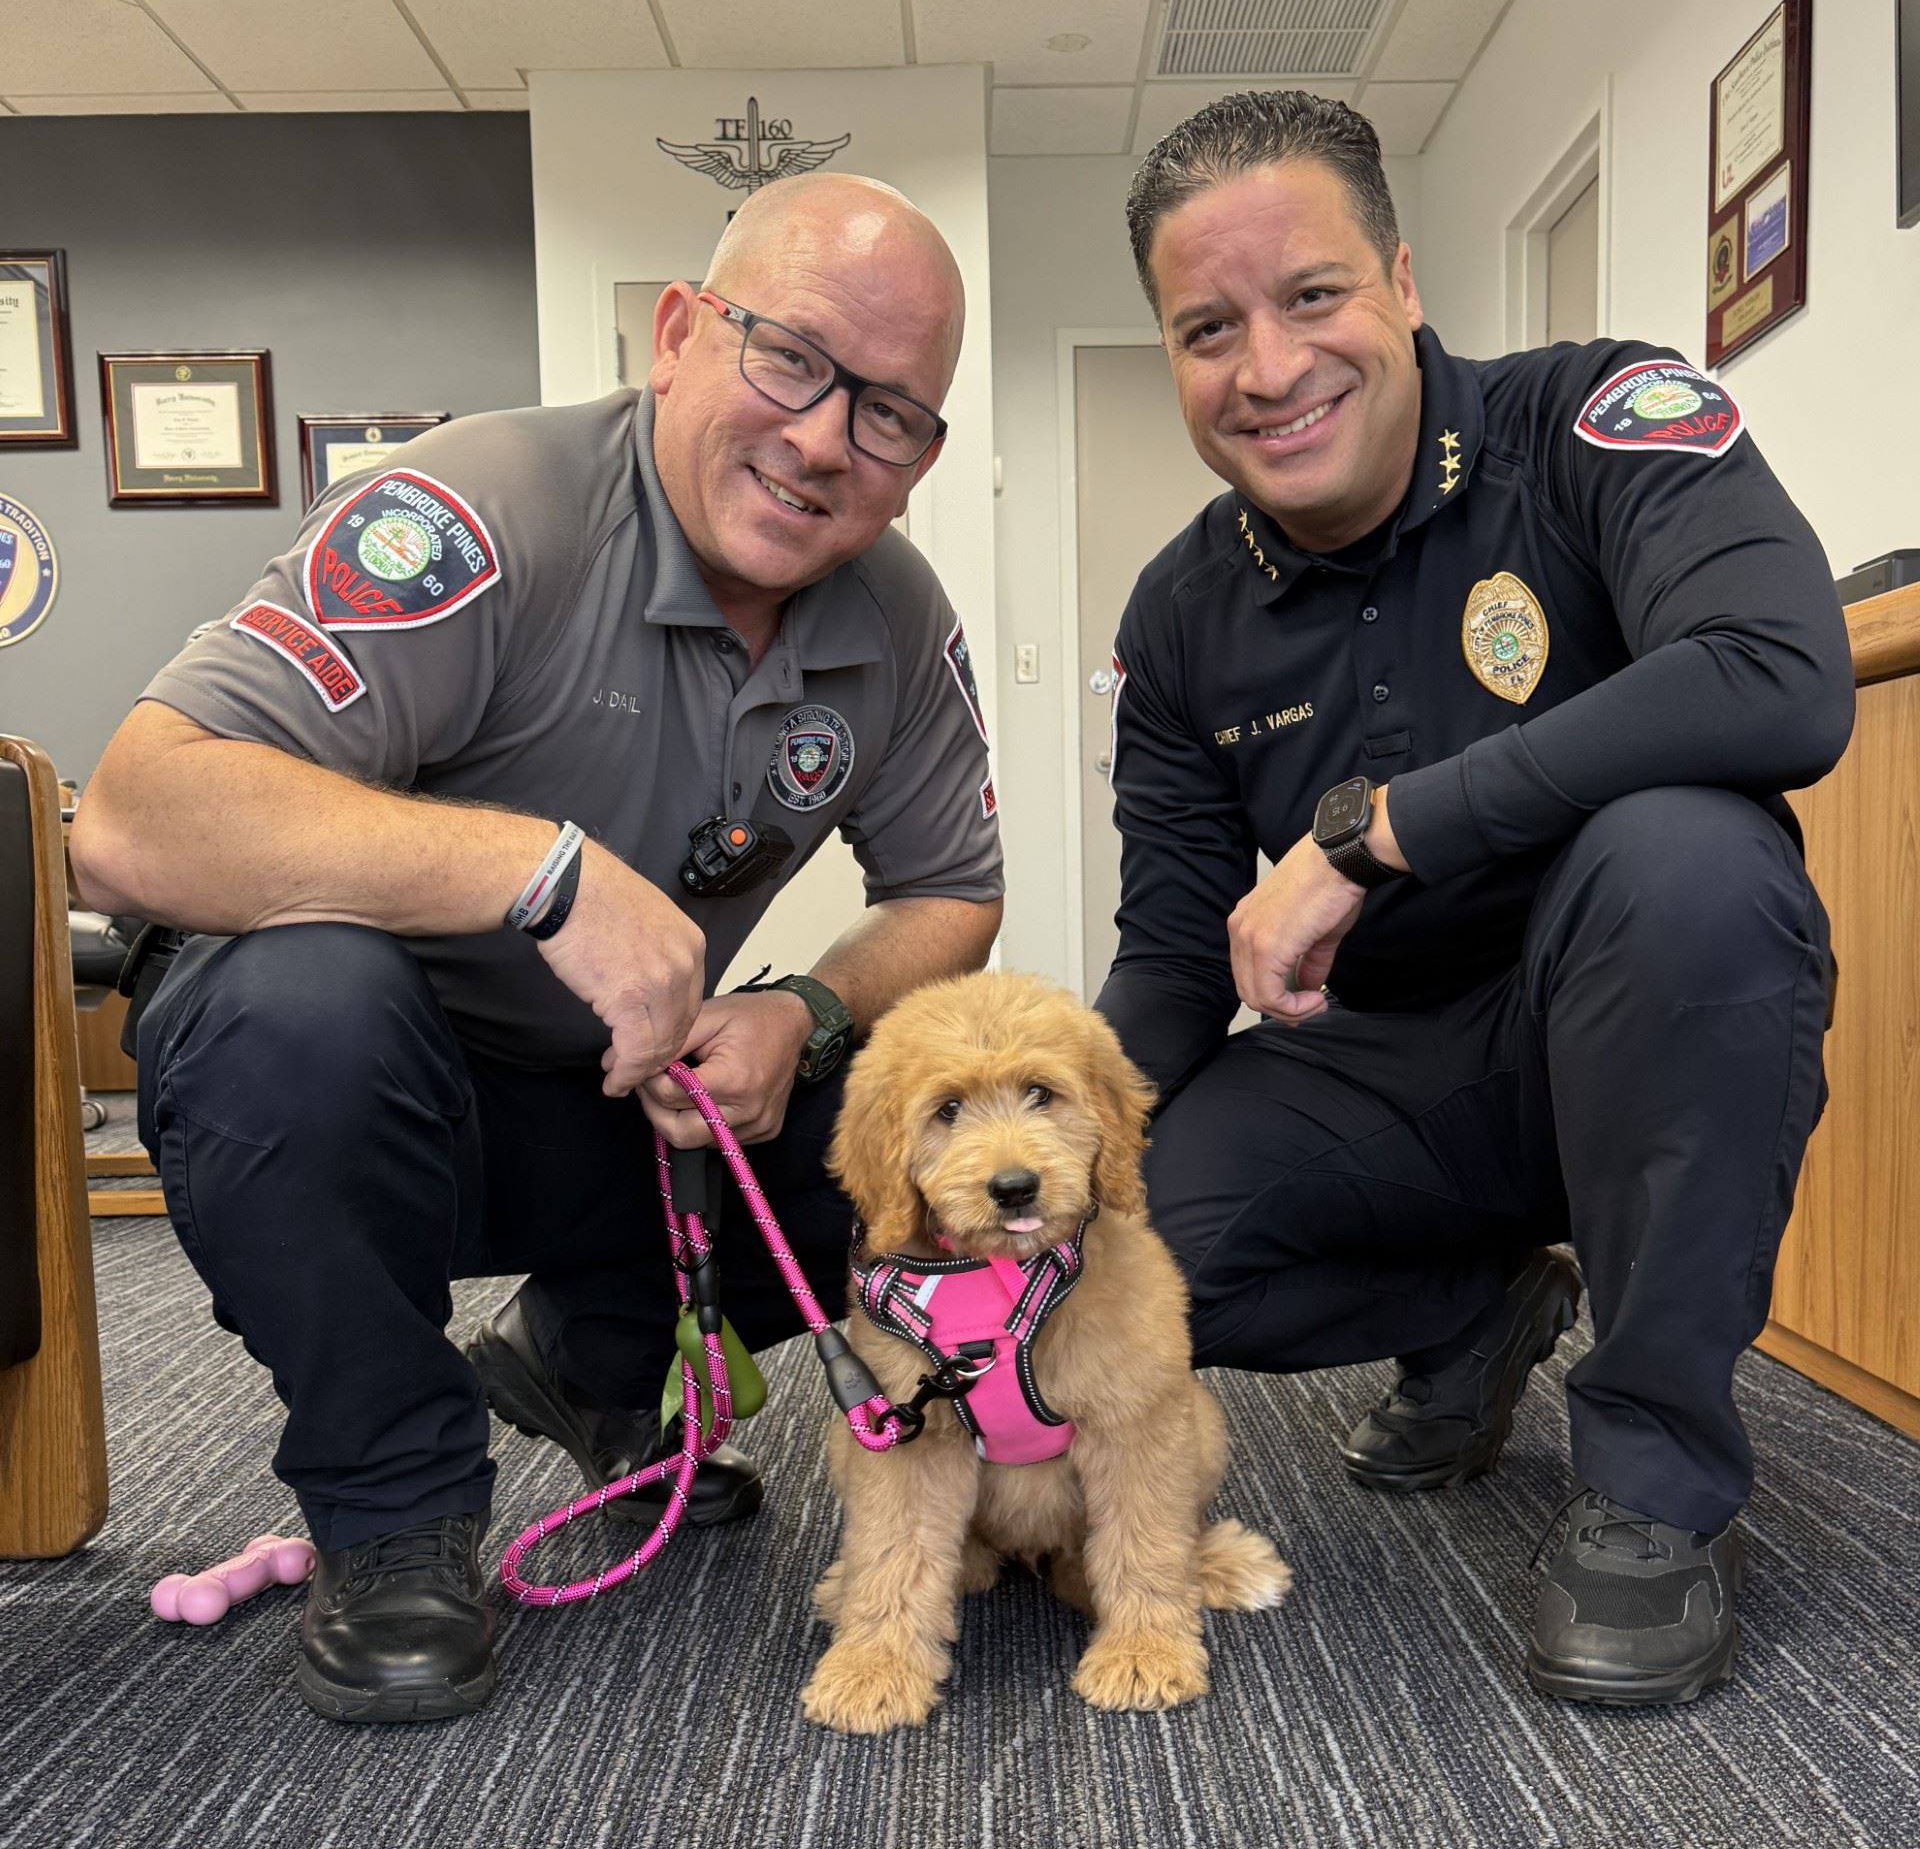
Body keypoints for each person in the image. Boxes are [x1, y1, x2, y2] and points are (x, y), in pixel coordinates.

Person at [70, 173, 1004, 1723]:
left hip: (618, 1105)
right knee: (296, 1005)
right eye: (790, 359)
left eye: (892, 414)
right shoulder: (478, 511)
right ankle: (395, 1510)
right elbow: (134, 813)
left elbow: (951, 892)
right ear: (679, 334)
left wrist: (812, 1012)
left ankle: (593, 1358)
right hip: (359, 1110)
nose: (828, 438)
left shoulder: (894, 619)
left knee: (905, 1110)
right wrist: (542, 873)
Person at [1095, 90, 1851, 1707]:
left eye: (1312, 297)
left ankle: (1657, 1476)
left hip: (1643, 1001)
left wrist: (1378, 836)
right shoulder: (1175, 617)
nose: (1270, 368)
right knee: (1120, 1263)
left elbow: (1782, 682)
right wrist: (1034, 1154)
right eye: (1207, 327)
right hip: (1396, 1075)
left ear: (1405, 281)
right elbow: (1167, 956)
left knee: (1690, 859)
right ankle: (1475, 1302)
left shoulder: (1596, 421)